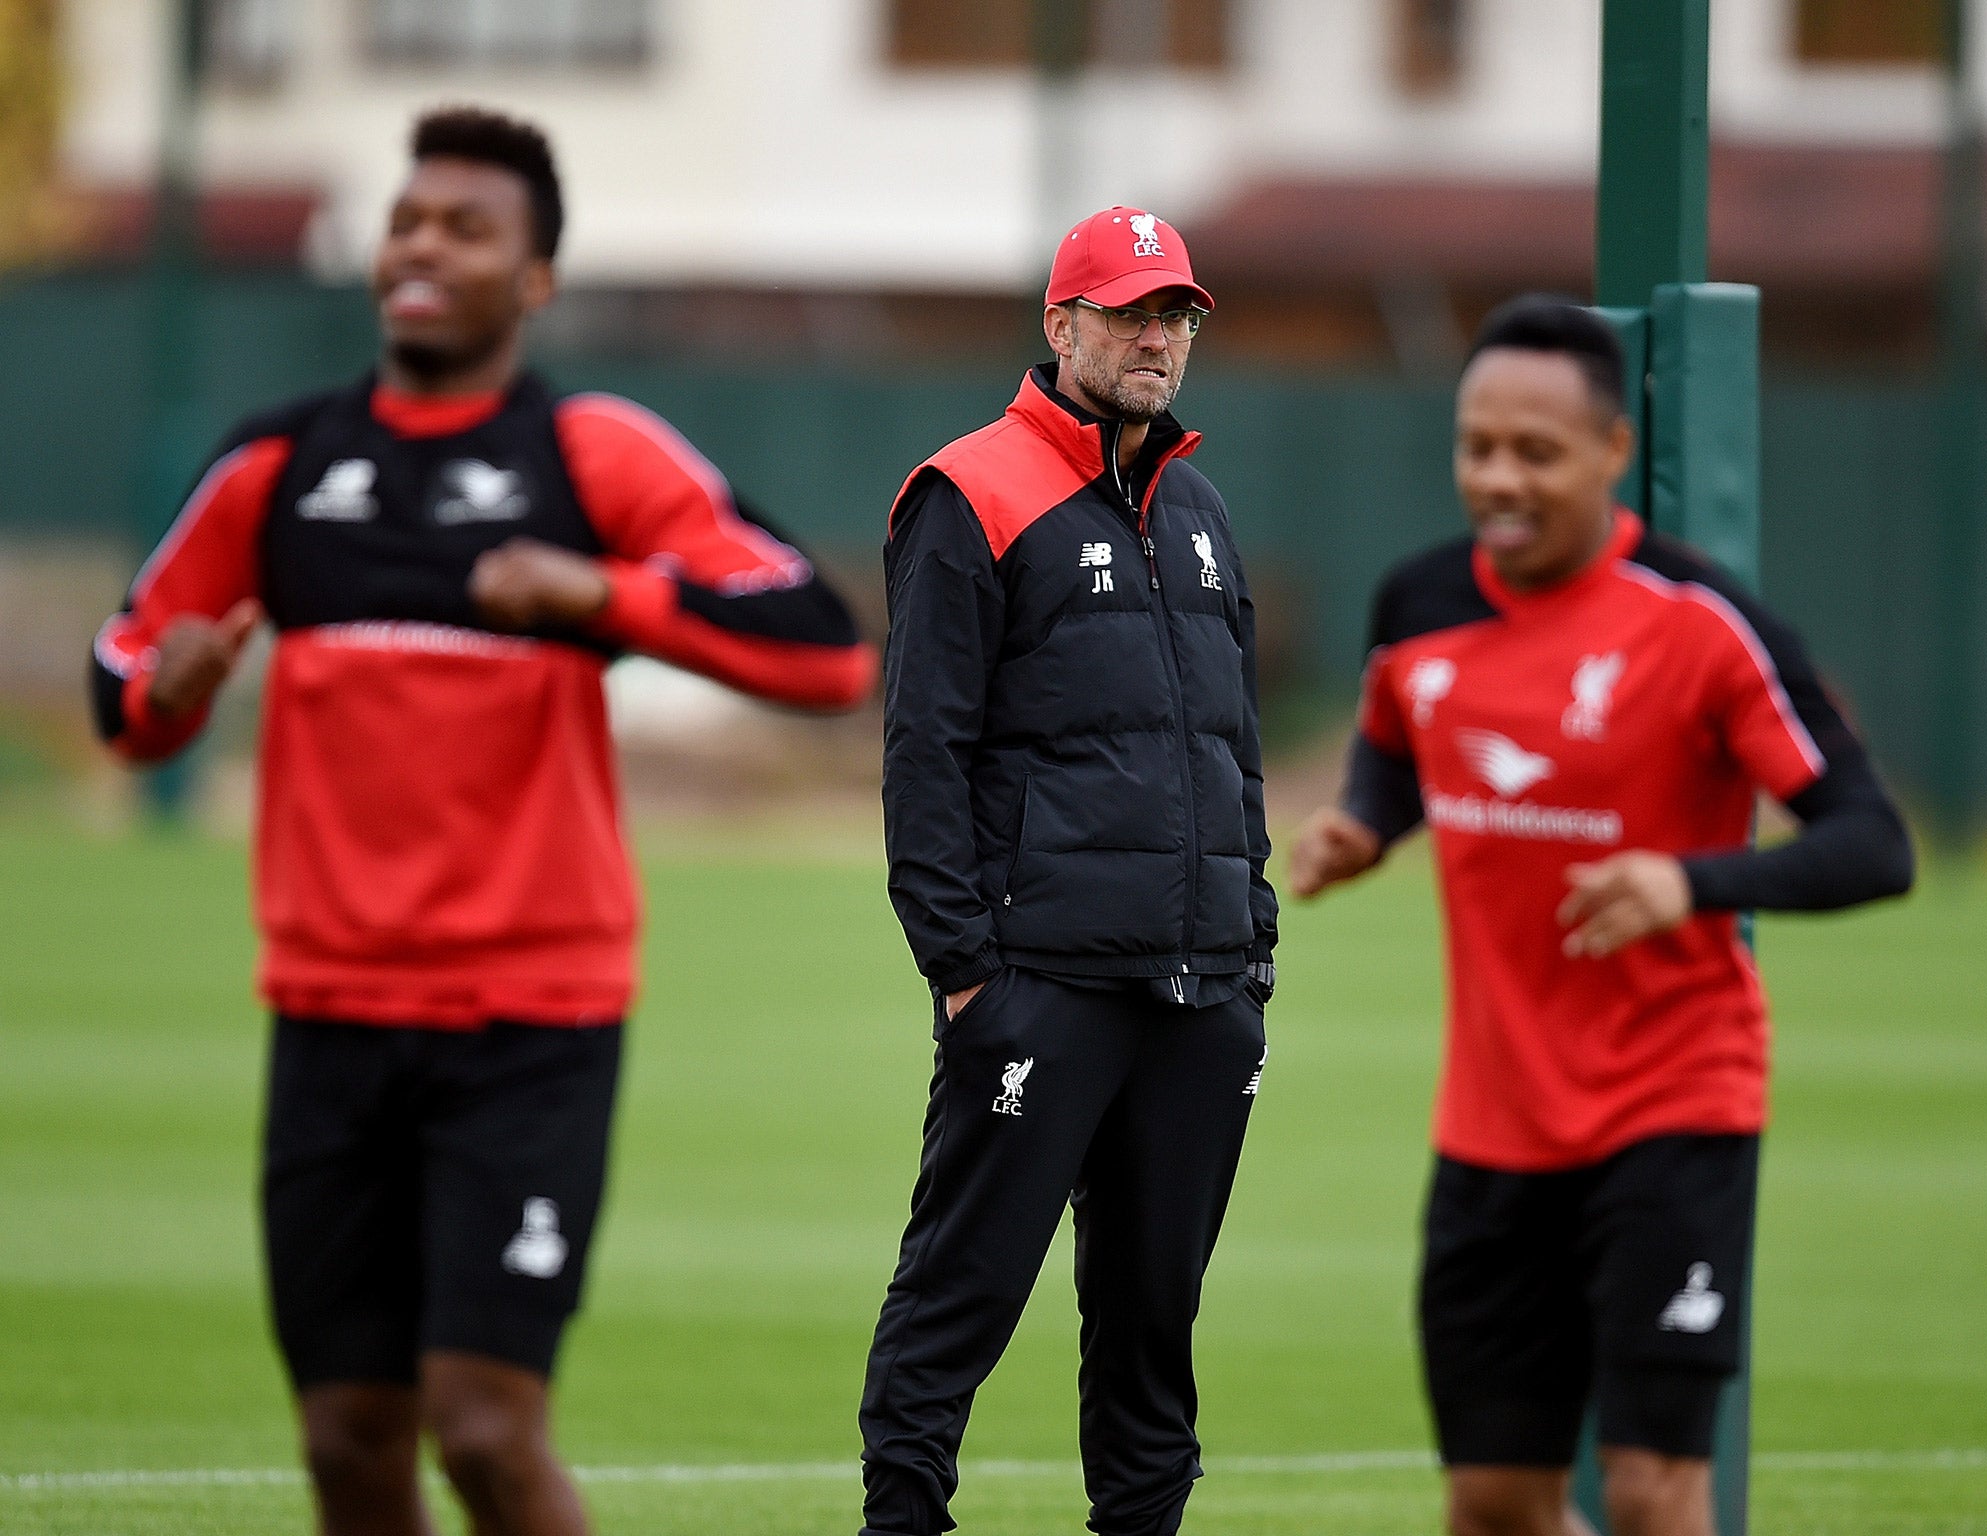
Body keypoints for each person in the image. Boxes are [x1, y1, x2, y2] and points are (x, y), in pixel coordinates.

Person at [88, 107, 876, 1536]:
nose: (423, 246)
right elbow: (124, 677)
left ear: (534, 281)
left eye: (467, 227)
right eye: (408, 219)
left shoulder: (590, 454)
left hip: (529, 1022)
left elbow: (824, 648)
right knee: (344, 1439)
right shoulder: (279, 469)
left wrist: (606, 598)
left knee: (487, 1432)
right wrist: (172, 695)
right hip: (329, 1015)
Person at [1290, 296, 1914, 1536]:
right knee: (1494, 1502)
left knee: (1647, 1487)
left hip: (1671, 1107)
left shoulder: (1703, 626)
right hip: (1490, 1122)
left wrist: (1690, 880)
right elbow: (1395, 754)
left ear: (1612, 452)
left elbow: (1871, 842)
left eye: (1536, 451)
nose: (1497, 479)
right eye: (1476, 448)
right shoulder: (1415, 606)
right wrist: (1366, 828)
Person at [859, 207, 1277, 1536]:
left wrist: (1250, 949)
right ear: (1062, 326)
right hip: (1041, 985)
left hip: (1200, 993)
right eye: (1132, 312)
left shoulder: (1201, 505)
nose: (1160, 337)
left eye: (1178, 316)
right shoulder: (968, 490)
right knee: (961, 1292)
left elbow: (1234, 744)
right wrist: (966, 973)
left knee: (1157, 1322)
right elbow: (925, 750)